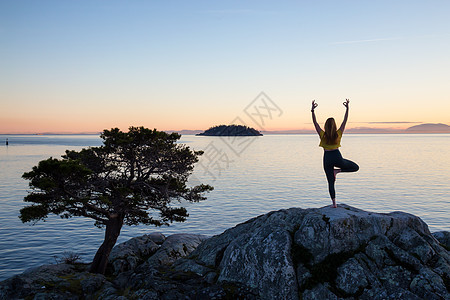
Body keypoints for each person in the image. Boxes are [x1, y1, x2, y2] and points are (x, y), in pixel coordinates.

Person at [311, 99, 359, 208]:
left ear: (326, 126)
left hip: (327, 158)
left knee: (330, 182)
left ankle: (334, 204)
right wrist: (347, 108)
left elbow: (315, 123)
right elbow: (344, 121)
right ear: (334, 126)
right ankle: (337, 171)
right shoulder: (338, 133)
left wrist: (312, 111)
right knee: (355, 167)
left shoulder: (322, 134)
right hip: (337, 157)